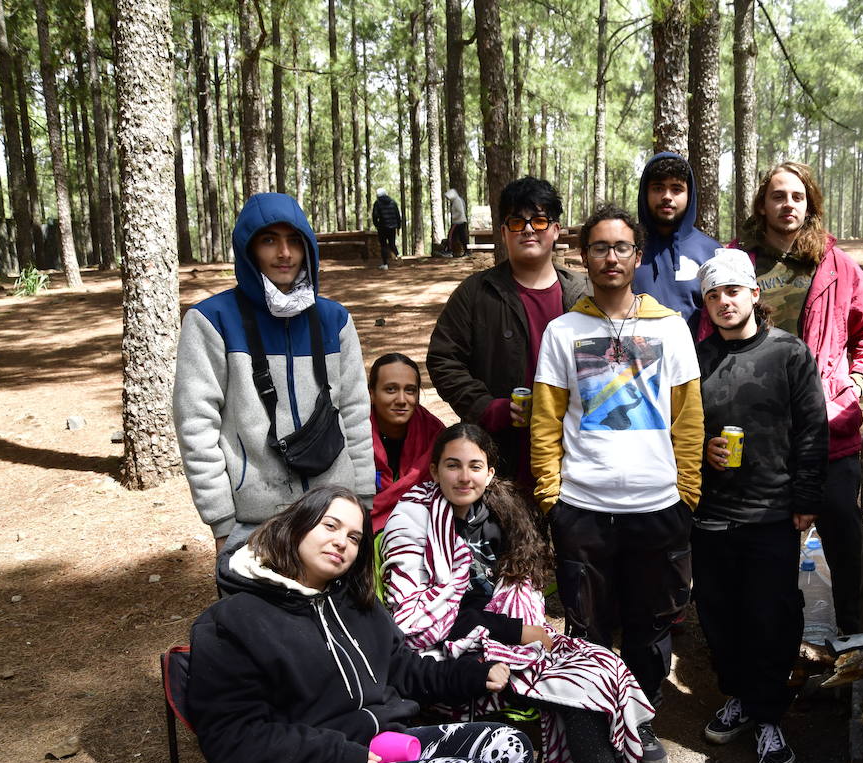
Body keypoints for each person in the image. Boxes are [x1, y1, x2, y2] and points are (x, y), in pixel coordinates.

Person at [186, 485, 533, 763]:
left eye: (354, 537)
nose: (342, 542)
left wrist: (475, 675)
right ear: (293, 526)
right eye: (329, 525)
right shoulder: (233, 622)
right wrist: (340, 756)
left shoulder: (356, 604)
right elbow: (234, 740)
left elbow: (407, 671)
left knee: (510, 748)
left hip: (380, 752)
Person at [382, 424, 693, 763]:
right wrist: (515, 632)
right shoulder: (413, 519)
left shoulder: (498, 512)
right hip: (442, 657)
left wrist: (519, 627)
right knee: (574, 691)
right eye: (452, 465)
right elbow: (412, 620)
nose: (464, 477)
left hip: (497, 636)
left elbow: (516, 590)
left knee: (600, 663)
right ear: (434, 469)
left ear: (490, 474)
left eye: (475, 466)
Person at [529, 204, 704, 763]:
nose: (611, 257)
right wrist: (552, 498)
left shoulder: (669, 327)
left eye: (621, 247)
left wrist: (688, 494)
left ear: (636, 256)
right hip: (584, 508)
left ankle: (639, 718)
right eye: (599, 247)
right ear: (584, 256)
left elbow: (688, 417)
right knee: (589, 625)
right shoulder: (563, 331)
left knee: (652, 624)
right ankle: (599, 725)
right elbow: (546, 421)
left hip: (658, 508)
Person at [724, 162, 863, 637]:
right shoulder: (739, 261)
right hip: (759, 428)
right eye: (778, 196)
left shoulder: (834, 264)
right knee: (767, 548)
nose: (788, 205)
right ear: (762, 204)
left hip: (827, 424)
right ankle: (770, 645)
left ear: (810, 205)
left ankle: (855, 639)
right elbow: (708, 327)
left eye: (798, 197)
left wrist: (856, 379)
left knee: (843, 536)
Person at [174, 192, 375, 557]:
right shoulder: (211, 321)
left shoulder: (335, 320)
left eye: (294, 240)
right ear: (249, 248)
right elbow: (196, 428)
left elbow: (356, 415)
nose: (284, 253)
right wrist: (221, 521)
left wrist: (361, 502)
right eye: (269, 240)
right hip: (254, 522)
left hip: (335, 515)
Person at [690, 250, 828, 763]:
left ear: (753, 294)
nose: (724, 302)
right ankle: (740, 698)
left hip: (771, 510)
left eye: (732, 291)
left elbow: (812, 430)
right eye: (713, 294)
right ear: (705, 303)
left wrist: (806, 499)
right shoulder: (697, 358)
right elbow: (676, 426)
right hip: (710, 512)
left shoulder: (788, 353)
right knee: (719, 613)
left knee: (770, 614)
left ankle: (769, 714)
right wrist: (702, 448)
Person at [427, 178, 588, 485]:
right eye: (517, 222)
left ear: (555, 230)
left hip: (574, 451)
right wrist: (487, 409)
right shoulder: (476, 293)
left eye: (539, 220)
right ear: (504, 232)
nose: (528, 229)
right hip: (500, 456)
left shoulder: (584, 295)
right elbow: (443, 359)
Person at [633, 152, 720, 329]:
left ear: (690, 195)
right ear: (645, 193)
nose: (667, 196)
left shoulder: (711, 252)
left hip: (699, 356)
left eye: (676, 189)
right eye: (658, 188)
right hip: (636, 354)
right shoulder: (625, 248)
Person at [369, 353, 445, 530]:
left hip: (422, 526)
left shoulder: (435, 435)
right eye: (391, 389)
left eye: (410, 390)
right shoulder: (354, 434)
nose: (402, 400)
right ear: (371, 394)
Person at [371, 188, 403, 269]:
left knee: (383, 245)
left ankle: (385, 264)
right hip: (392, 227)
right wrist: (398, 226)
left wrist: (377, 225)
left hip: (382, 227)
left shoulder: (377, 203)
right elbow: (397, 215)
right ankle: (398, 255)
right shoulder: (393, 202)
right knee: (392, 243)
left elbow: (375, 216)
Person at [446, 188, 470, 257]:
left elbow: (460, 212)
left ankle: (450, 251)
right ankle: (461, 251)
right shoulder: (458, 200)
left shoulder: (457, 201)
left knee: (453, 236)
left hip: (459, 222)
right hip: (459, 221)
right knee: (459, 237)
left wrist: (454, 217)